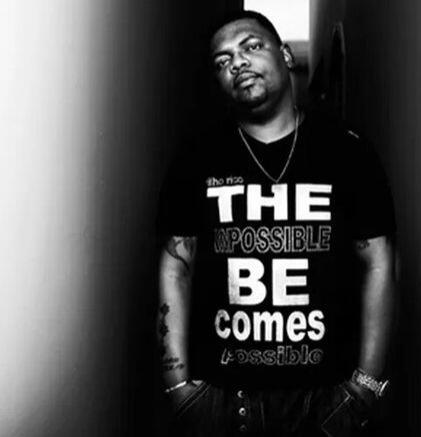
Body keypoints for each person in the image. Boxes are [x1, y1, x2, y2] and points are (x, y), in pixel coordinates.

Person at [156, 10, 397, 437]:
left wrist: (367, 384)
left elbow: (378, 261)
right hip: (224, 400)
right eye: (223, 60)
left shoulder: (347, 152)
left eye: (251, 47)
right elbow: (177, 265)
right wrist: (177, 385)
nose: (237, 63)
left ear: (285, 55)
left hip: (329, 396)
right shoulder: (196, 159)